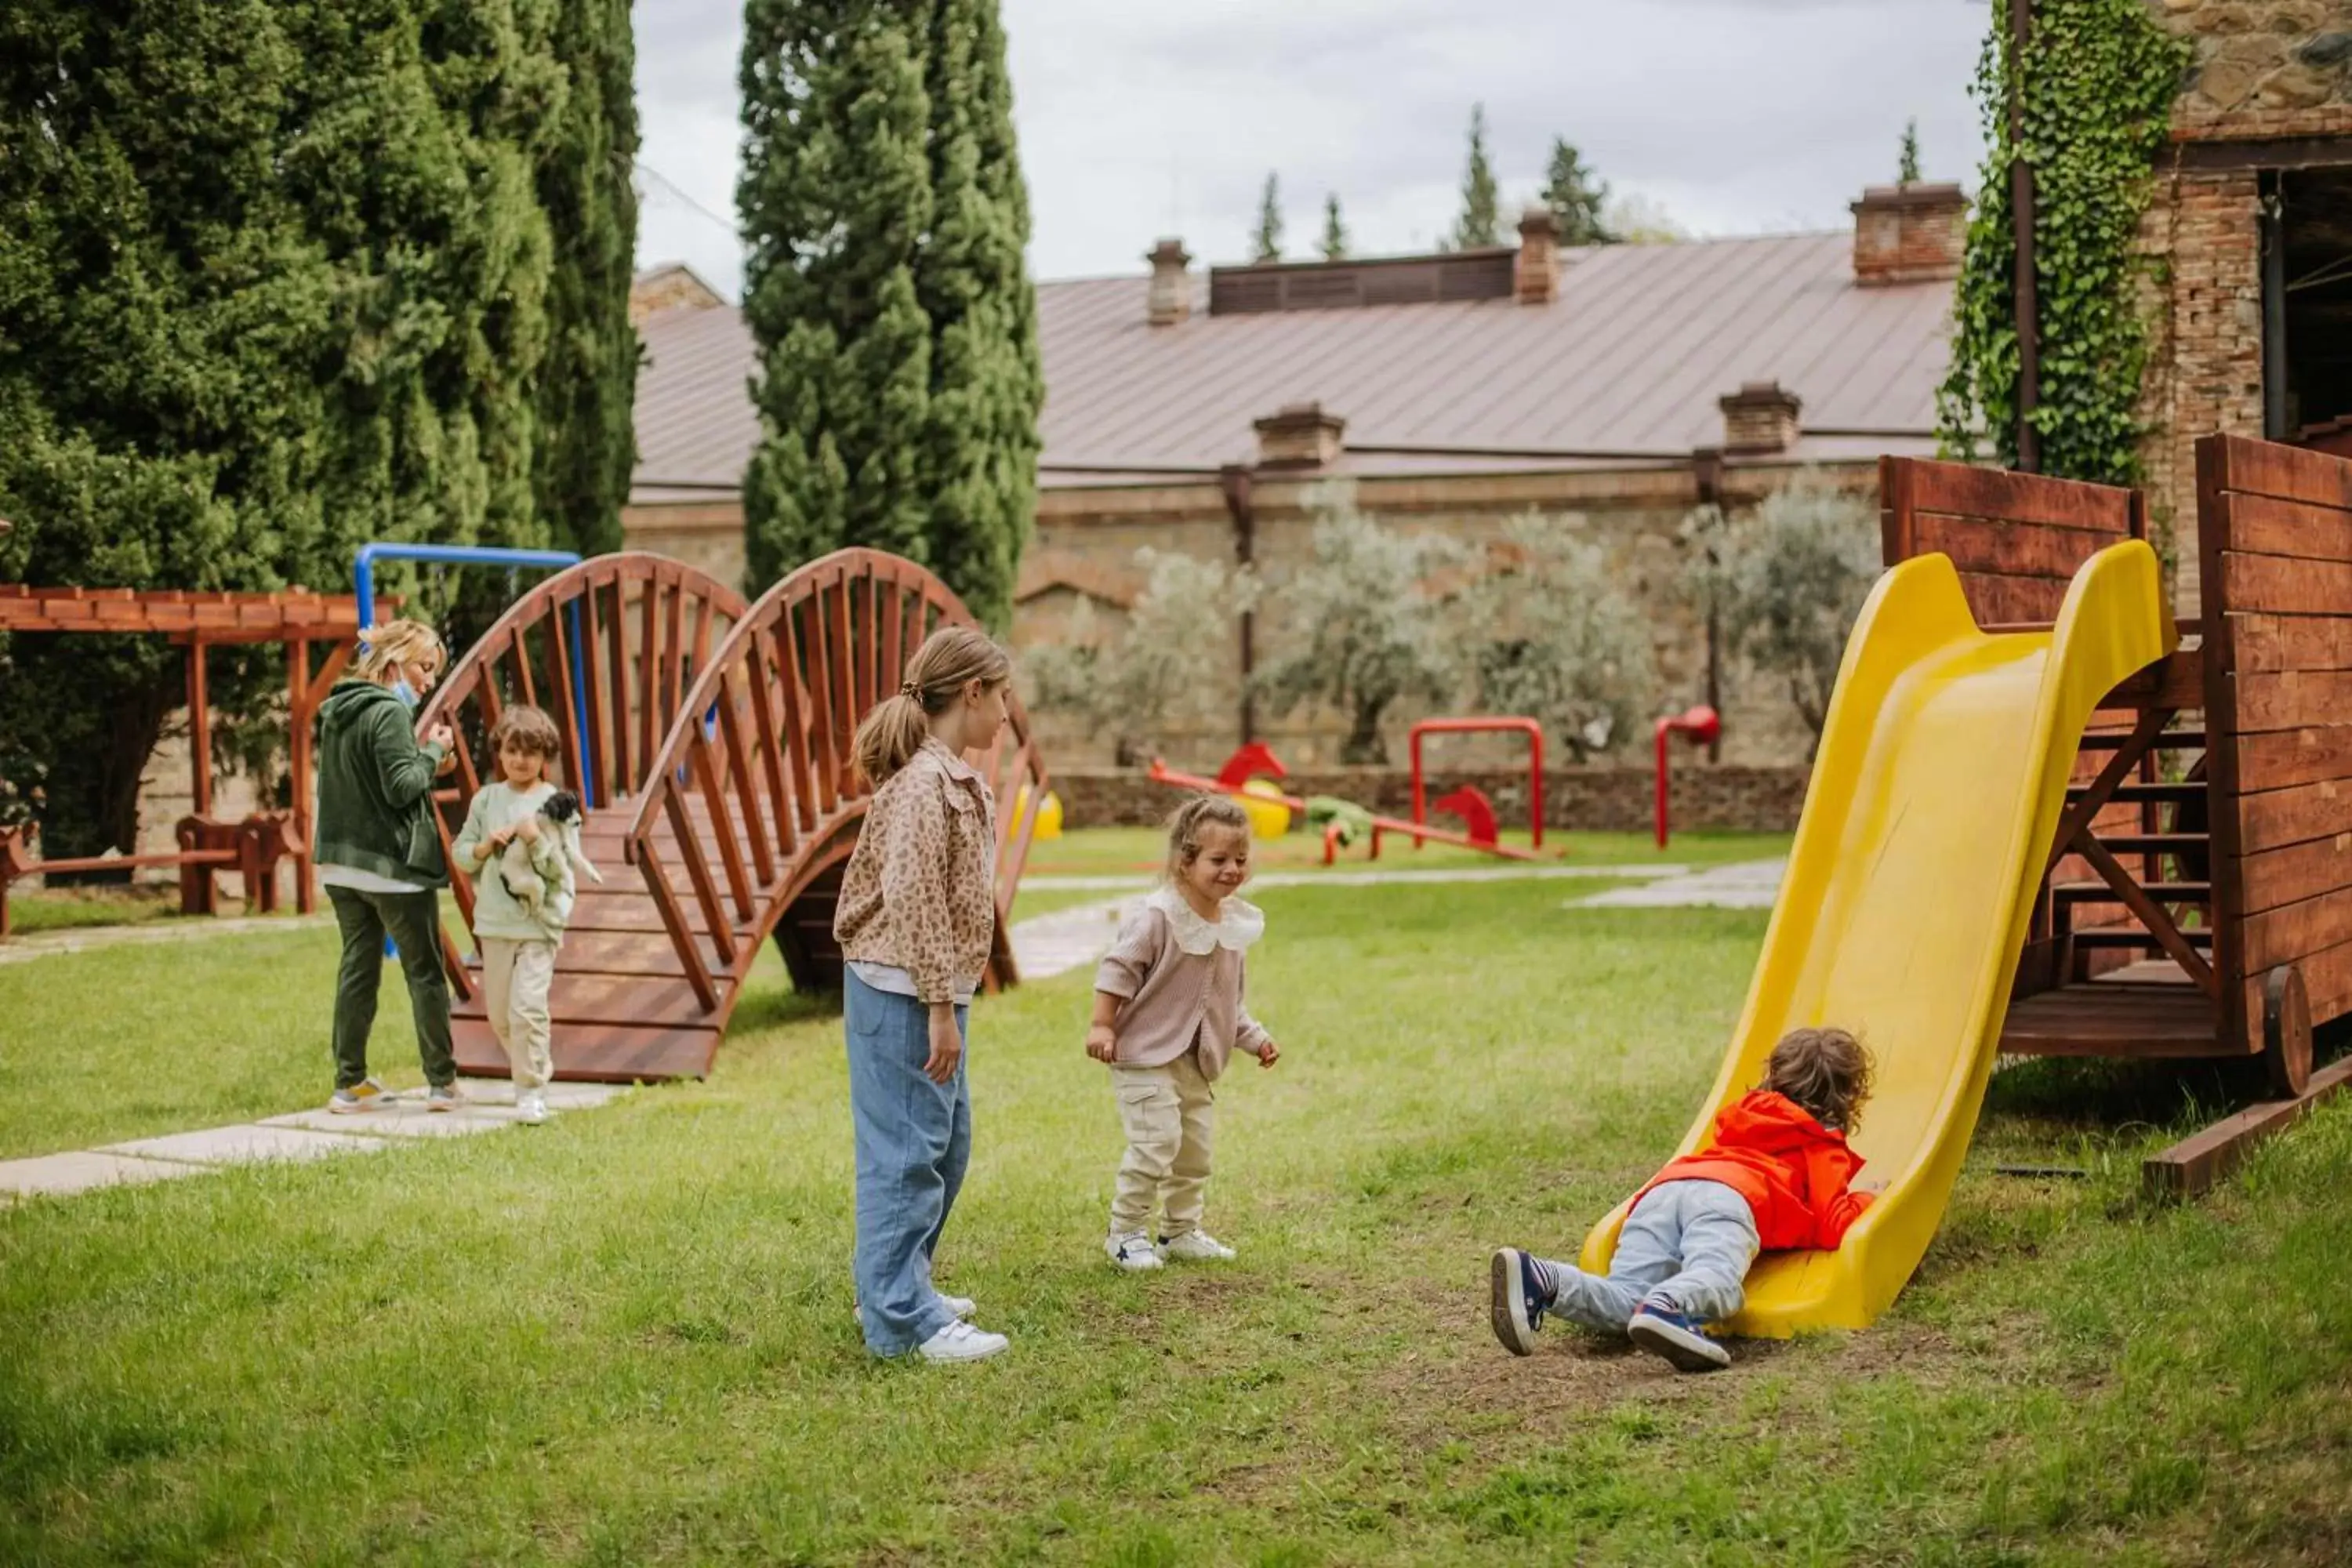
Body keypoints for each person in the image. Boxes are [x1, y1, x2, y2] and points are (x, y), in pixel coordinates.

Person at [1490, 1026, 1879, 1372]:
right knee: (1721, 1285)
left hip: (1666, 1191)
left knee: (1628, 1299)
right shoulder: (1821, 1141)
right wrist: (1870, 1198)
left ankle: (1541, 1278)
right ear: (1848, 1096)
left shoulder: (1746, 1116)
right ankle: (1670, 1305)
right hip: (1729, 1200)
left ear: (1774, 1076)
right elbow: (1831, 1223)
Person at [833, 626, 1015, 1364]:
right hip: (906, 991)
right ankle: (901, 1322)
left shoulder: (948, 777)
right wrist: (941, 1005)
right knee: (907, 1154)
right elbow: (911, 897)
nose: (1006, 714)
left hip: (929, 990)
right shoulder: (919, 785)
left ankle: (897, 1284)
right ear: (970, 693)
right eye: (1001, 696)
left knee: (946, 1143)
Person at [1087, 794, 1280, 1273]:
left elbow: (1226, 1002)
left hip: (1195, 1063)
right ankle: (1125, 1232)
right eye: (1219, 860)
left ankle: (1179, 1232)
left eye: (1240, 859)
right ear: (1184, 862)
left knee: (1194, 1152)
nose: (1232, 869)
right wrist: (1101, 1024)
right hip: (1145, 1055)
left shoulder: (1233, 926)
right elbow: (1117, 971)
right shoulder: (1158, 917)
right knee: (1156, 1143)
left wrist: (1254, 1038)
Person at [313, 618, 463, 1113]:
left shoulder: (339, 711)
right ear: (395, 662)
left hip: (340, 866)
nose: (428, 681)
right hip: (391, 869)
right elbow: (401, 787)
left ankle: (348, 1084)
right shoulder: (390, 713)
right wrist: (436, 751)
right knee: (425, 972)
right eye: (424, 667)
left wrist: (423, 760)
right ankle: (443, 1084)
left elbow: (376, 779)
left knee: (358, 969)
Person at [450, 706, 581, 1127]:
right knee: (501, 1017)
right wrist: (485, 846)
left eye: (531, 752)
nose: (521, 759)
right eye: (512, 750)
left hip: (538, 923)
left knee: (528, 1009)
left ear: (546, 756)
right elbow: (461, 855)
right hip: (494, 924)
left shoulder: (555, 803)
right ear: (499, 753)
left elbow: (563, 868)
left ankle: (529, 1091)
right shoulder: (487, 800)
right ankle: (536, 1066)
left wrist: (535, 842)